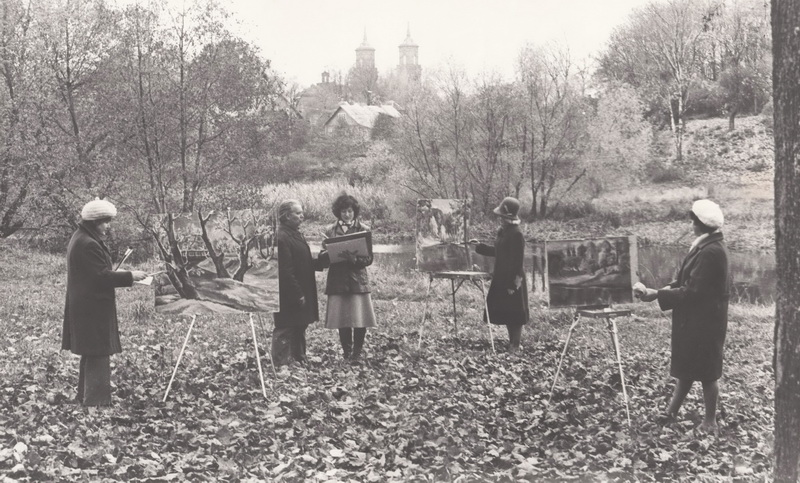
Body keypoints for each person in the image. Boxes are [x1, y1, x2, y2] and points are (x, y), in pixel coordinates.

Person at [634, 199, 731, 434]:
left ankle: (710, 422)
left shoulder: (711, 251)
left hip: (706, 322)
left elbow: (693, 291)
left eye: (693, 221)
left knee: (708, 373)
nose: (691, 225)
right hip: (696, 319)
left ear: (700, 224)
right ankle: (671, 413)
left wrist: (658, 294)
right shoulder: (704, 246)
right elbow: (684, 282)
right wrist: (657, 293)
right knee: (687, 367)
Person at [62, 198, 148, 406]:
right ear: (95, 221)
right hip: (92, 307)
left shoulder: (81, 237)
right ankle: (97, 403)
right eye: (106, 222)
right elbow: (100, 277)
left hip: (87, 304)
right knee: (98, 352)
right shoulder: (88, 243)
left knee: (91, 352)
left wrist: (126, 279)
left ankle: (85, 397)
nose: (108, 226)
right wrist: (130, 276)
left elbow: (96, 274)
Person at [273, 199, 329, 366]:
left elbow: (304, 262)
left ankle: (299, 358)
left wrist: (324, 257)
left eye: (301, 212)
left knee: (299, 325)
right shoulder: (281, 237)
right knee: (285, 327)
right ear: (286, 216)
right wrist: (297, 294)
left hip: (302, 289)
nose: (302, 216)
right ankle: (281, 364)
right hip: (289, 292)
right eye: (298, 213)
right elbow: (285, 272)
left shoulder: (295, 233)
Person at [470, 197, 529, 352]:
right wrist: (480, 247)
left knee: (515, 314)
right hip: (502, 278)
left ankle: (515, 345)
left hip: (512, 279)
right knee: (508, 311)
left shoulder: (516, 234)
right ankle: (512, 343)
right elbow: (500, 252)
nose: (500, 219)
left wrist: (513, 285)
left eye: (502, 216)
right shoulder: (504, 232)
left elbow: (518, 262)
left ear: (509, 217)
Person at [322, 194, 376, 361]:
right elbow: (322, 259)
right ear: (338, 212)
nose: (347, 215)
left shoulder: (364, 229)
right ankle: (346, 352)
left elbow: (368, 259)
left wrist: (355, 260)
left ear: (355, 212)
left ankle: (357, 352)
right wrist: (327, 254)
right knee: (343, 317)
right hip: (337, 279)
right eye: (343, 211)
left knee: (360, 317)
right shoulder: (329, 231)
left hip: (357, 279)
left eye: (350, 211)